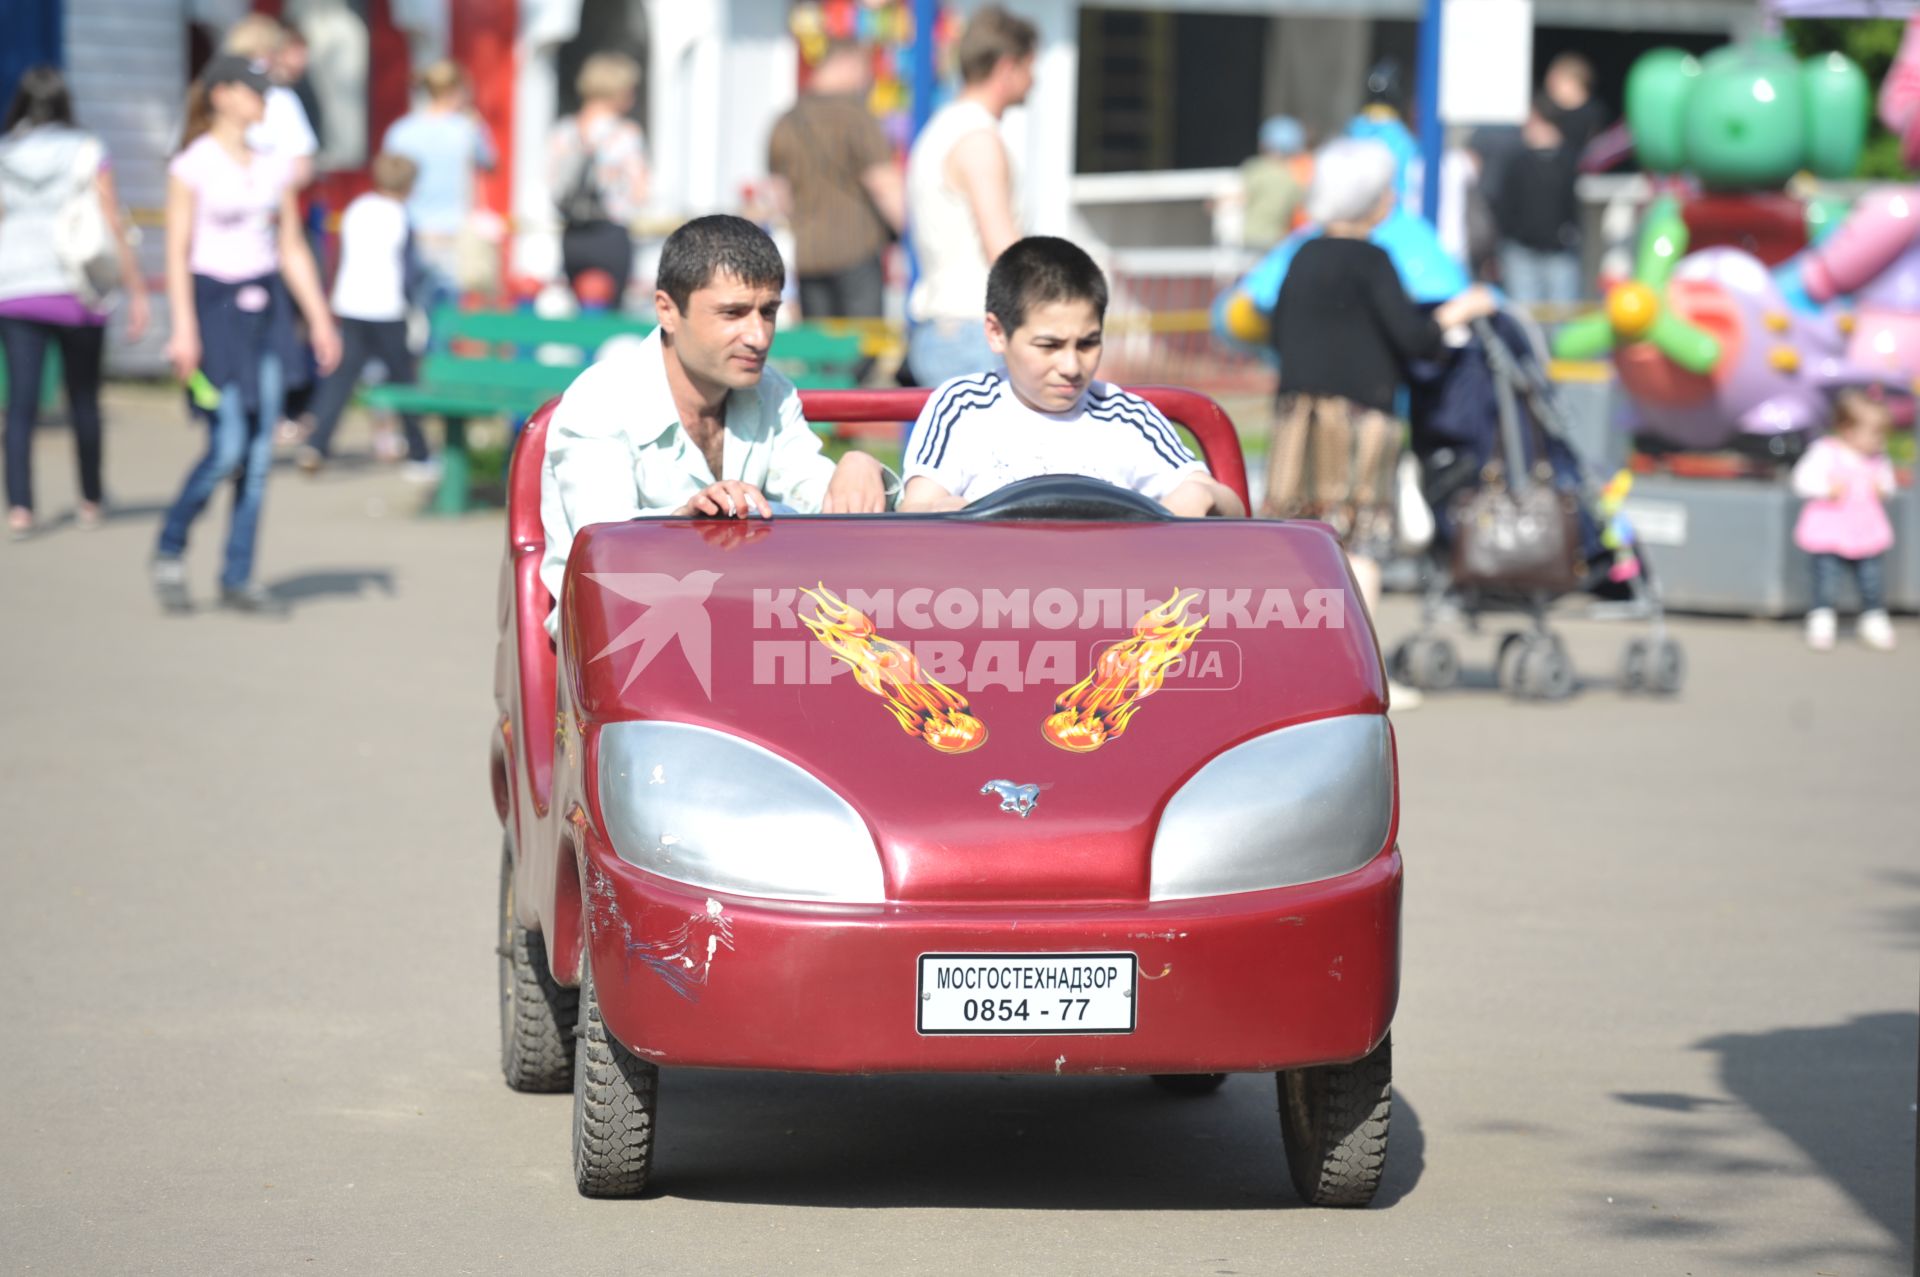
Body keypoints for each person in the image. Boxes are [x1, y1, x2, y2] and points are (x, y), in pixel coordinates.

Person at [540, 215, 892, 636]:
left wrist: (858, 469)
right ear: (667, 311)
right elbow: (600, 542)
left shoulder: (772, 393)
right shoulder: (601, 399)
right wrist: (686, 522)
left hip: (742, 633)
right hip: (616, 644)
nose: (758, 336)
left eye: (769, 312)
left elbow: (815, 502)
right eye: (733, 313)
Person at [1264, 139, 1495, 667]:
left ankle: (1296, 660)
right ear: (1369, 199)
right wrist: (1458, 312)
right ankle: (1354, 667)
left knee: (1300, 538)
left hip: (1298, 416)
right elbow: (1413, 337)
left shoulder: (1301, 254)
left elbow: (1279, 332)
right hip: (1360, 416)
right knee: (1359, 541)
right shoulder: (1374, 260)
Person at [151, 56, 341, 616]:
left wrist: (321, 318)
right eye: (254, 91)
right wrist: (184, 330)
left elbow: (291, 248)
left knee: (259, 456)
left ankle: (237, 575)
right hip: (214, 312)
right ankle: (170, 545)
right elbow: (178, 254)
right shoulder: (192, 165)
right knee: (227, 444)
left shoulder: (272, 165)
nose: (264, 100)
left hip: (267, 313)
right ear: (223, 95)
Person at [900, 236, 1243, 518]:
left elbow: (1228, 504)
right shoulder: (963, 408)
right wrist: (950, 512)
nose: (1071, 366)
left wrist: (1200, 495)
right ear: (996, 333)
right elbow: (916, 509)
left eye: (1088, 343)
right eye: (1049, 345)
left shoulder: (1126, 417)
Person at [0, 66, 149, 539]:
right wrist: (137, 288)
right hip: (77, 287)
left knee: (21, 404)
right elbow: (111, 219)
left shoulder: (5, 153)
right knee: (83, 397)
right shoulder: (88, 151)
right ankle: (90, 498)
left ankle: (20, 507)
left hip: (15, 287)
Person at [904, 5, 1035, 386]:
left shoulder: (939, 130)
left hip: (943, 329)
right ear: (1008, 67)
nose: (1034, 79)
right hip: (974, 333)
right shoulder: (978, 138)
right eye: (1030, 67)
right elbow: (1003, 250)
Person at [297, 152, 435, 481]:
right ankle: (420, 453)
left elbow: (338, 254)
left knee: (342, 378)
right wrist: (415, 305)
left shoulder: (357, 209)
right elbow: (408, 270)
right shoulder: (400, 215)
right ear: (409, 186)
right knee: (404, 382)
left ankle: (317, 443)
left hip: (351, 303)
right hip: (387, 308)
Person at [768, 39, 904, 327]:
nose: (866, 81)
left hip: (809, 255)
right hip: (856, 251)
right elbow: (884, 185)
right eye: (865, 71)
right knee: (862, 348)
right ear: (848, 64)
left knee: (820, 351)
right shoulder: (856, 118)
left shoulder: (786, 121)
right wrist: (910, 234)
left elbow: (780, 197)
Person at [1490, 54, 1601, 307]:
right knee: (1526, 320)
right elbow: (1505, 205)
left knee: (1561, 323)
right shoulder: (1517, 159)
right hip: (1522, 250)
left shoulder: (1572, 150)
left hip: (1559, 250)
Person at [1792, 390, 1898, 651]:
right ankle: (1822, 616)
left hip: (1865, 530)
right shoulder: (1825, 452)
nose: (1880, 439)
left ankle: (1873, 616)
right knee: (1827, 578)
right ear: (1847, 429)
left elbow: (1889, 485)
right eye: (1874, 432)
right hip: (1831, 530)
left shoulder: (1877, 460)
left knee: (1871, 578)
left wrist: (1882, 488)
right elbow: (1801, 481)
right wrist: (1827, 490)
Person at [383, 60, 496, 304]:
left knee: (410, 309)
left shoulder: (400, 131)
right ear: (455, 91)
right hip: (453, 235)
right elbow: (489, 163)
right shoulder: (468, 129)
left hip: (411, 232)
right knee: (446, 316)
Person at [548, 52, 649, 302]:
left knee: (577, 316)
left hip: (572, 236)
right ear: (619, 90)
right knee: (610, 321)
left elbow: (552, 184)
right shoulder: (626, 134)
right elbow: (640, 193)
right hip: (610, 234)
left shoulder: (563, 131)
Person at [1238, 115, 1309, 250]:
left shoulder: (1255, 169)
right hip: (1277, 241)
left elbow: (1239, 197)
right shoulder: (1294, 177)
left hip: (1248, 239)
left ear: (1264, 143)